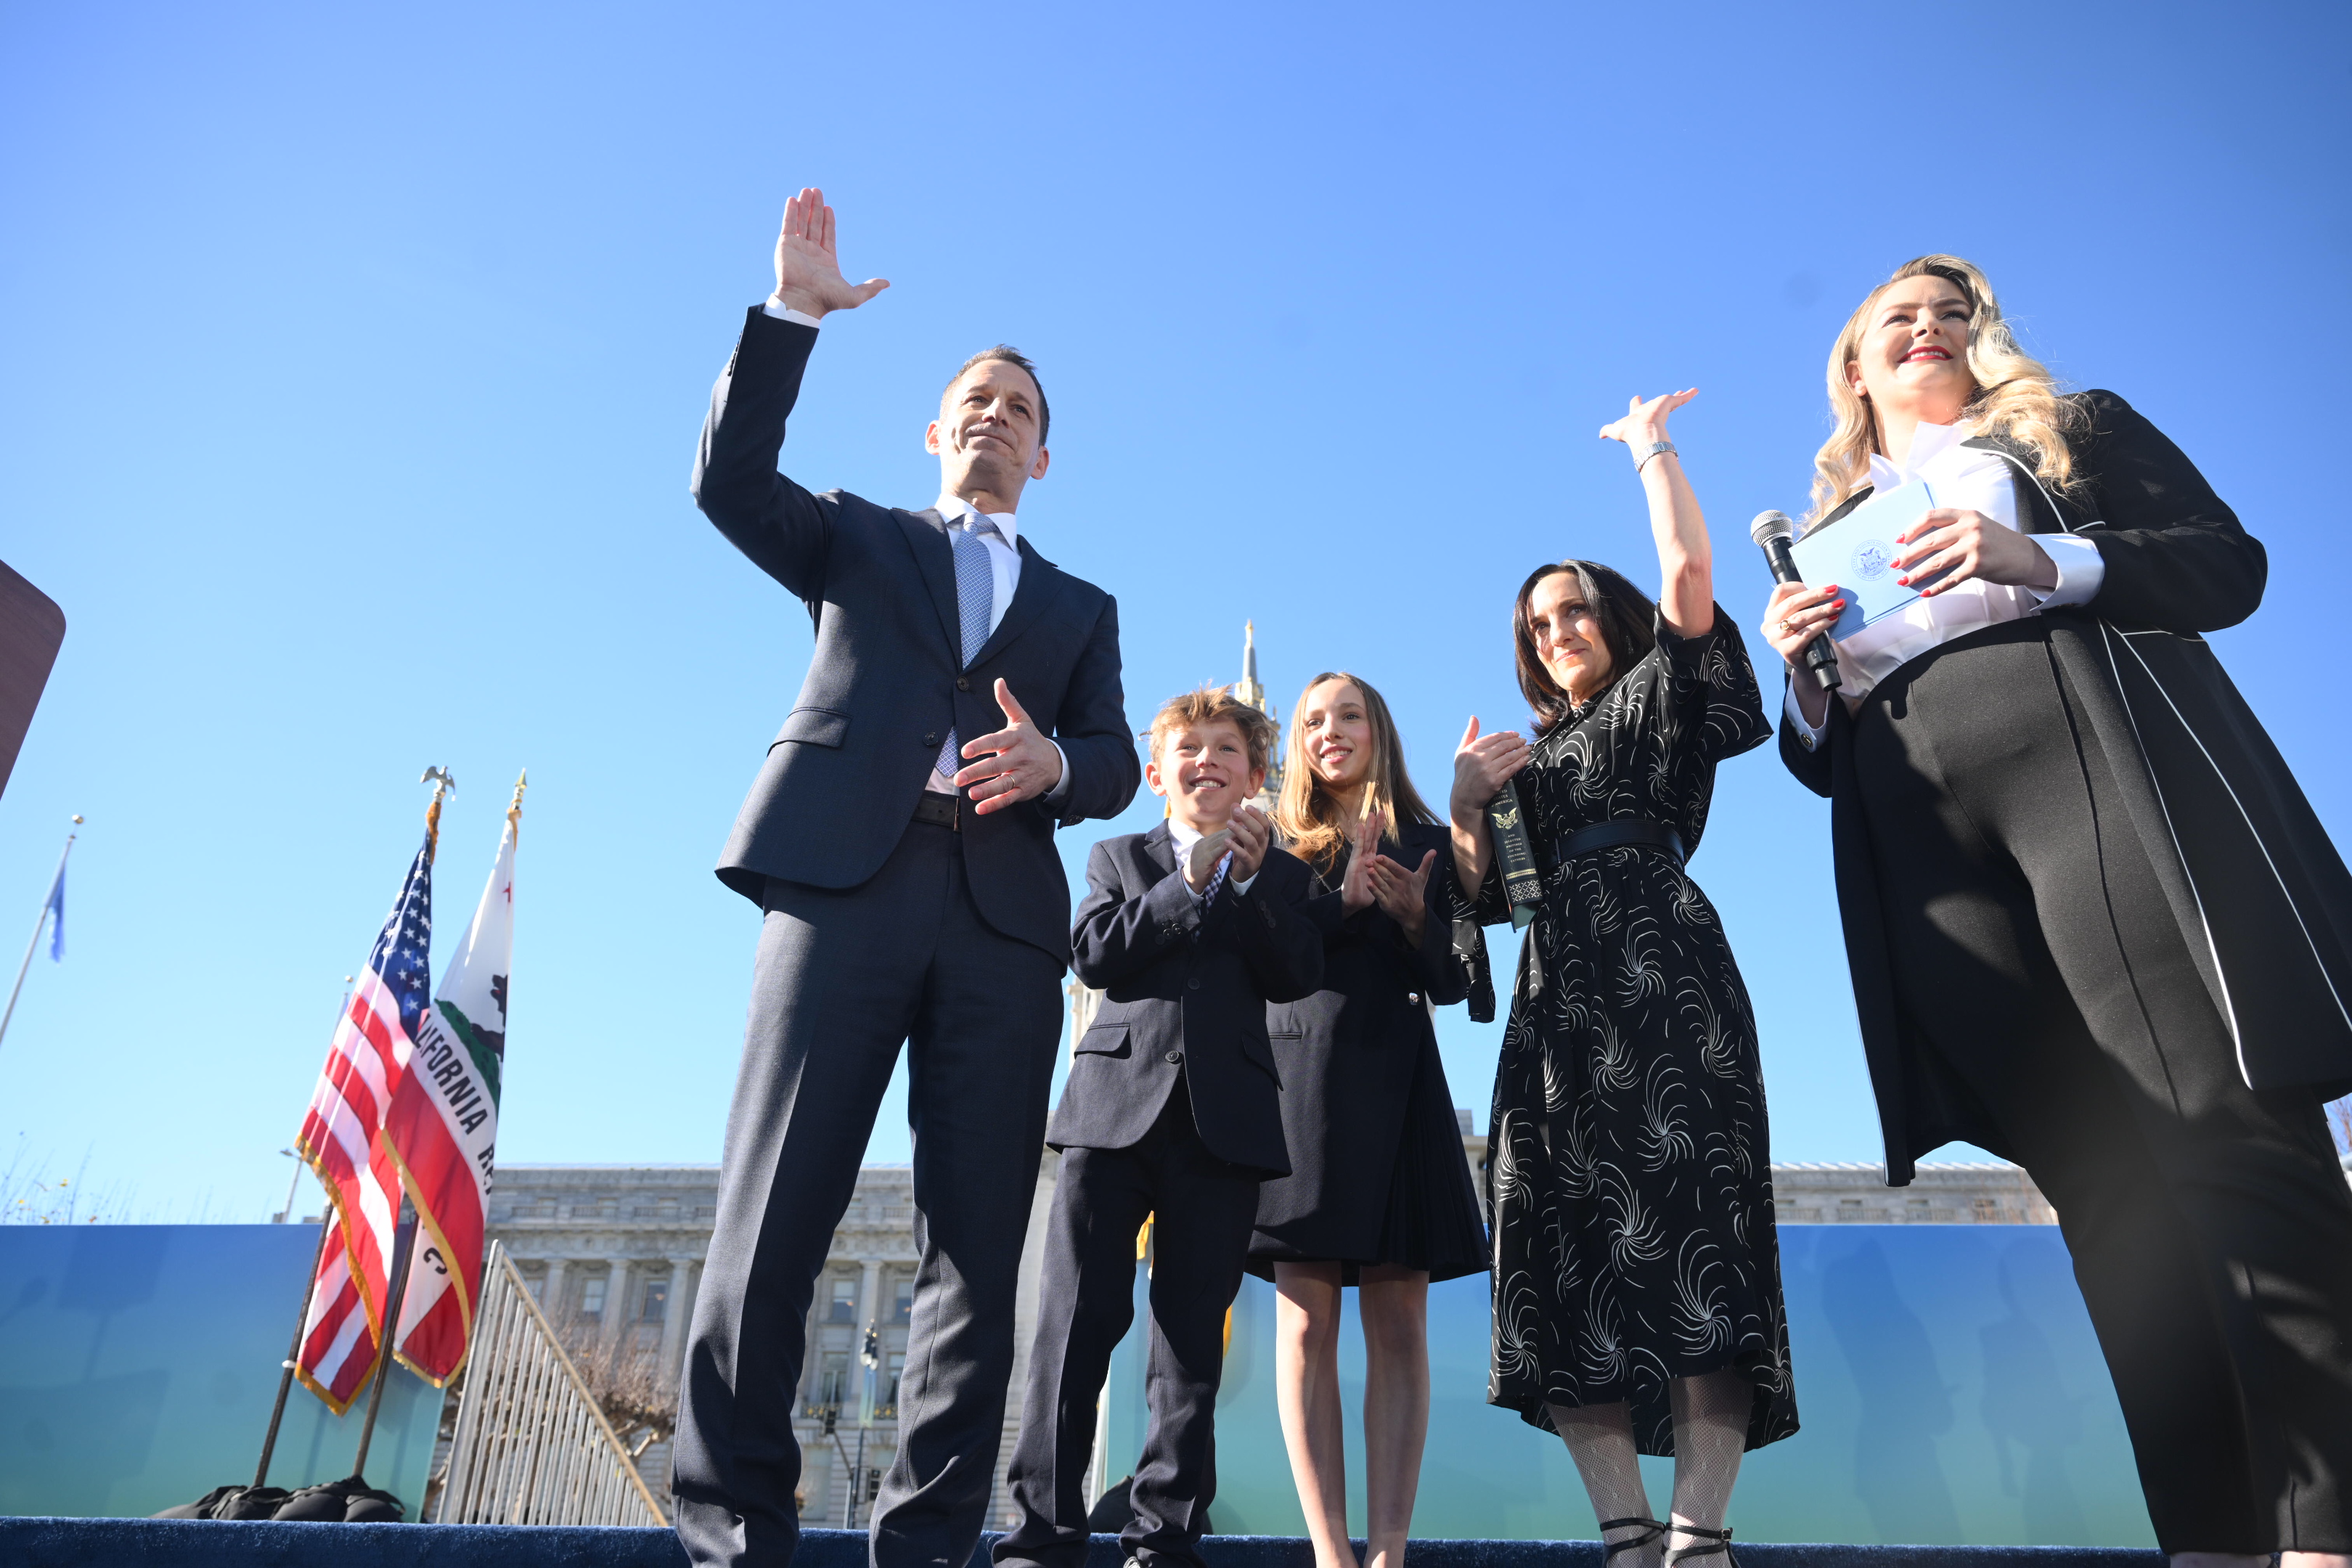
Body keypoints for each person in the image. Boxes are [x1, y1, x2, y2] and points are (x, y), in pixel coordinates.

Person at [1762, 254, 2352, 1568]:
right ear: (1852, 372)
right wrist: (1806, 678)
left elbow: (2227, 565)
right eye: (1891, 321)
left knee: (2227, 1128)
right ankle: (2211, 1542)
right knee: (2102, 1196)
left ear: (1983, 340)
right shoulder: (1828, 525)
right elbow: (1821, 753)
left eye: (1948, 313)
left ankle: (2326, 1540)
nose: (1925, 329)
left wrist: (2044, 556)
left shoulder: (2062, 433)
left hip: (2084, 770)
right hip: (1929, 848)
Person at [677, 188, 1142, 1568]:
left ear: (1048, 456)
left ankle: (929, 1544)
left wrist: (1058, 766)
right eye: (975, 401)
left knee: (976, 1247)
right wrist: (790, 318)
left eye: (1021, 407)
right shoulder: (859, 538)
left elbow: (1117, 758)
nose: (996, 415)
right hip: (842, 889)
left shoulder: (1081, 608)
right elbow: (726, 484)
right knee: (776, 1213)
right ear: (936, 434)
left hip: (1001, 926)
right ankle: (735, 1536)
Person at [1452, 390, 1795, 1568]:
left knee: (1702, 1237)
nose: (1556, 631)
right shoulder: (1524, 762)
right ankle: (1628, 1540)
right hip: (1555, 1010)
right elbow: (1487, 902)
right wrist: (1464, 811)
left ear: (1612, 616)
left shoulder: (1659, 697)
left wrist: (1652, 451)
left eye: (1575, 609)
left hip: (1665, 977)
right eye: (1537, 624)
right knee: (1553, 1257)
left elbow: (1692, 576)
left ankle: (1701, 1539)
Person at [997, 687, 1323, 1568]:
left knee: (1189, 1344)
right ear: (1157, 773)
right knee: (1075, 1326)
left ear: (1258, 776)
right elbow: (1097, 953)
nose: (1206, 760)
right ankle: (1040, 1536)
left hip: (1224, 1132)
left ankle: (1164, 1538)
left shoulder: (1285, 876)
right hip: (1111, 1119)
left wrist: (1247, 884)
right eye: (1189, 747)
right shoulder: (1115, 857)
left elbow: (1298, 971)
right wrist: (1188, 884)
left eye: (1227, 748)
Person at [1249, 671, 1490, 1568]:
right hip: (1292, 1084)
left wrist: (1419, 918)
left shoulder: (1430, 836)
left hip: (1397, 1083)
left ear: (1379, 730)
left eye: (1349, 715)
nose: (1330, 731)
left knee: (1400, 1324)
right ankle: (1330, 1552)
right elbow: (1257, 953)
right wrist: (1339, 903)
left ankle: (1389, 1548)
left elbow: (1459, 979)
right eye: (1314, 719)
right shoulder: (1271, 841)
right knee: (1305, 1327)